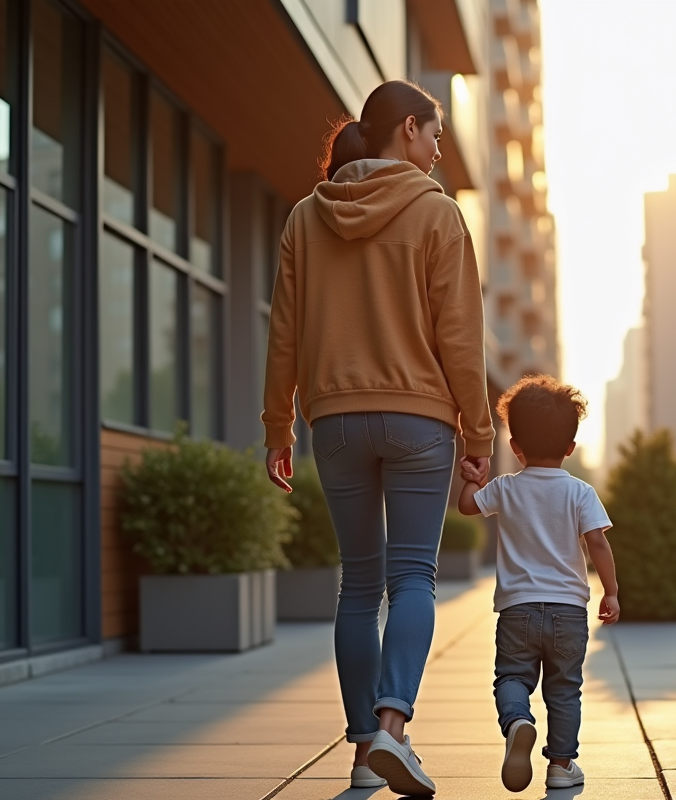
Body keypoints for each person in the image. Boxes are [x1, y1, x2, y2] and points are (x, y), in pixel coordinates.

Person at [262, 80, 494, 797]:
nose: (438, 145)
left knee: (358, 586)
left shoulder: (306, 217)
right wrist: (479, 434)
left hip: (334, 420)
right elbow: (460, 338)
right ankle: (393, 728)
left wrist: (278, 426)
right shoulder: (438, 215)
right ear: (404, 130)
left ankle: (364, 752)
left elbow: (284, 334)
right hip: (421, 419)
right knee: (413, 577)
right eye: (433, 131)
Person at [458, 375, 620, 793]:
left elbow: (466, 506)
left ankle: (518, 722)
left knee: (512, 677)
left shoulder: (506, 488)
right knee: (564, 689)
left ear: (516, 446)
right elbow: (598, 543)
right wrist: (612, 591)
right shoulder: (580, 493)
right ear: (570, 447)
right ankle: (561, 766)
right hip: (568, 611)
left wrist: (475, 475)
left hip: (517, 610)